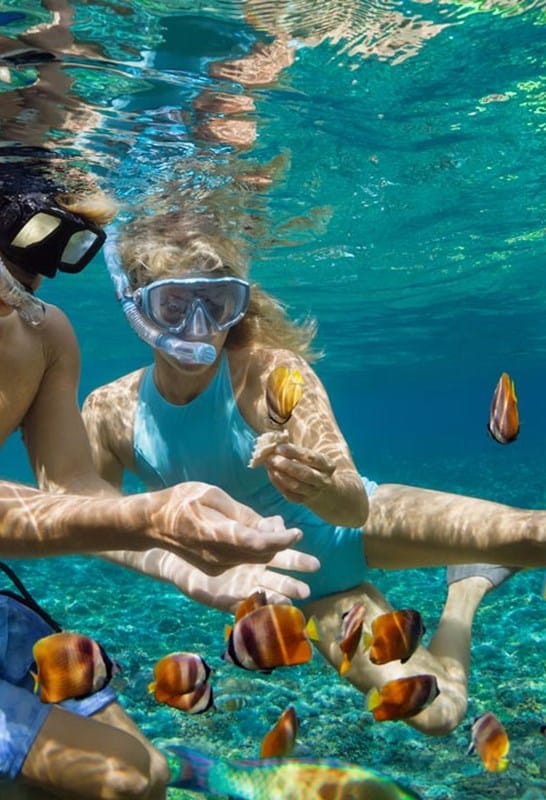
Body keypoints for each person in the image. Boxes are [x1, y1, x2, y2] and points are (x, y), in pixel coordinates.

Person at [82, 206, 546, 741]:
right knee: (437, 715)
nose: (198, 328)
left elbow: (354, 505)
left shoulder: (271, 373)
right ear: (136, 307)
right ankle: (466, 589)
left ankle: (478, 554)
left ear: (239, 304)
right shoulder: (109, 410)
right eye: (173, 305)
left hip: (358, 524)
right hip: (307, 593)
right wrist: (179, 564)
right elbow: (89, 521)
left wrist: (325, 489)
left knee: (531, 533)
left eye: (218, 303)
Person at [0, 163, 318, 800]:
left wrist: (180, 562)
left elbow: (71, 493)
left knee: (141, 774)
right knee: (117, 782)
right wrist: (148, 519)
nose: (29, 281)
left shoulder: (44, 331)